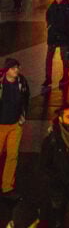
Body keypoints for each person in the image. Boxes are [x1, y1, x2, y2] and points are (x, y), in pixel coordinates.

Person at [0, 60, 30, 200]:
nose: (16, 70)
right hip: (1, 125)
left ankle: (7, 187)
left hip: (15, 125)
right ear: (7, 70)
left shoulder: (21, 81)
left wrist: (23, 116)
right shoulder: (2, 83)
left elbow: (26, 99)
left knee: (12, 156)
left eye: (17, 67)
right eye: (13, 68)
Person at [44, 0, 69, 91]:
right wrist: (49, 26)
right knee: (49, 57)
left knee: (64, 57)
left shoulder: (67, 7)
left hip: (63, 36)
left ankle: (65, 76)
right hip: (53, 36)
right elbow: (48, 17)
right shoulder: (52, 7)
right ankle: (48, 77)